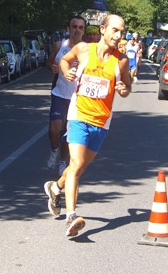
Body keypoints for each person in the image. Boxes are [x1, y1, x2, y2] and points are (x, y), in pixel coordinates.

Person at [44, 14, 132, 237]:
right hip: (78, 116)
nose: (118, 35)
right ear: (102, 29)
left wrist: (124, 90)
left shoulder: (121, 60)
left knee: (79, 167)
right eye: (114, 30)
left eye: (121, 32)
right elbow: (63, 60)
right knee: (76, 162)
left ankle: (55, 187)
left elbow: (127, 86)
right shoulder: (84, 49)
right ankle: (71, 217)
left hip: (102, 122)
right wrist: (65, 71)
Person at [45, 15, 86, 175]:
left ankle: (63, 161)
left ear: (83, 31)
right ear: (68, 29)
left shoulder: (87, 50)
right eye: (74, 27)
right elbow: (48, 62)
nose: (77, 30)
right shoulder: (58, 45)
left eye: (80, 27)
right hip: (59, 93)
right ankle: (54, 150)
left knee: (68, 133)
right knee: (54, 129)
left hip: (77, 98)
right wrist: (52, 67)